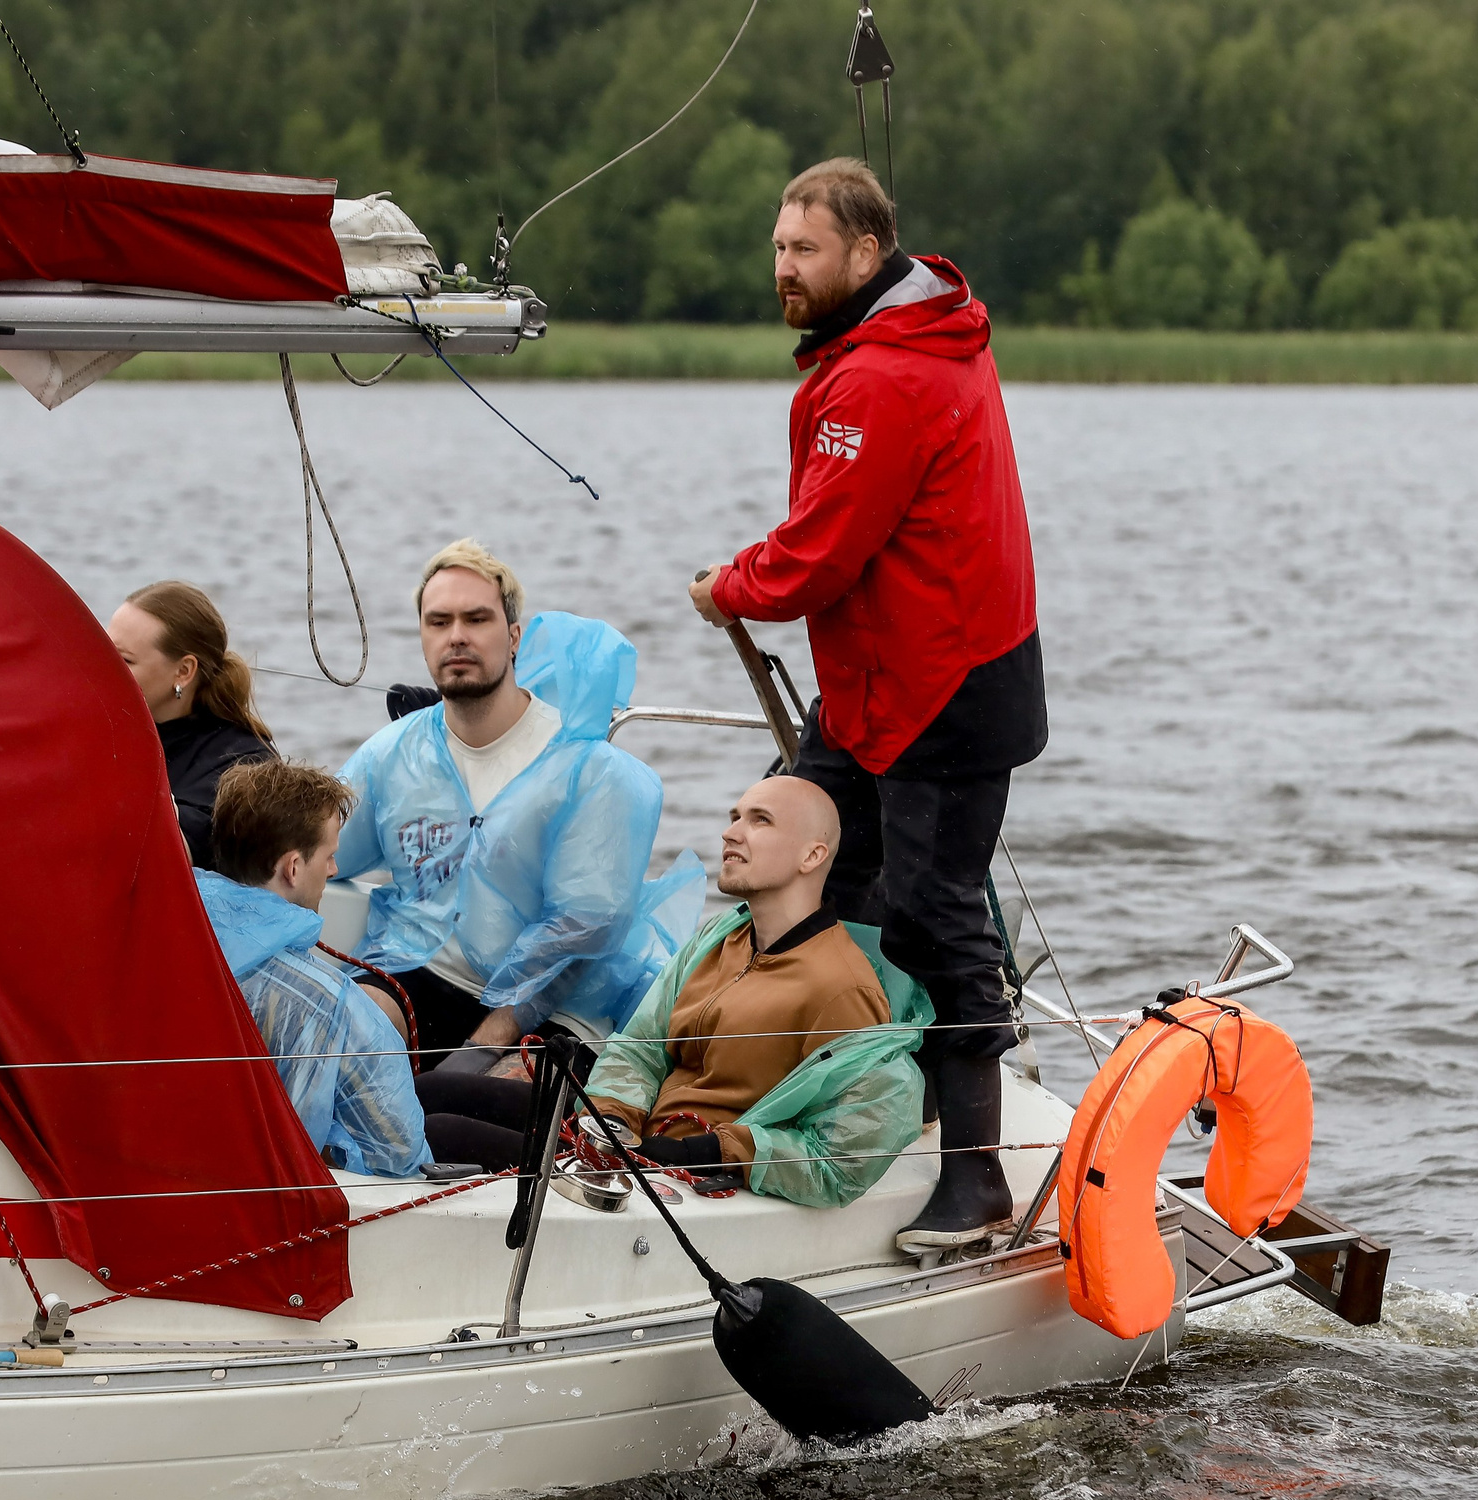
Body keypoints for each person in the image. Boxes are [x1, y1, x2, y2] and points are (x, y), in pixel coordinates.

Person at [691, 158, 1044, 1250]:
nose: (785, 269)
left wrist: (725, 588)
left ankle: (974, 1175)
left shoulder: (881, 376)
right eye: (777, 249)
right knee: (798, 857)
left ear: (862, 251)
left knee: (937, 918)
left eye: (803, 250)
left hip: (940, 689)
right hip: (878, 689)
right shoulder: (909, 336)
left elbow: (816, 557)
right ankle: (850, 1094)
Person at [417, 775, 931, 1207]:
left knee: (442, 1131)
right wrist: (614, 1118)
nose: (731, 833)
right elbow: (642, 1043)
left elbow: (841, 1155)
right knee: (427, 1091)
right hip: (630, 1136)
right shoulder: (721, 936)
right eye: (735, 816)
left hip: (679, 1168)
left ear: (812, 855)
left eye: (760, 821)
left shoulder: (841, 987)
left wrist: (711, 1152)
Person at [337, 539, 701, 1066]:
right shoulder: (393, 754)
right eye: (439, 622)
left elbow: (584, 927)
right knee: (341, 1040)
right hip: (421, 970)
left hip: (553, 1005)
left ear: (513, 638)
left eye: (476, 619)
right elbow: (316, 845)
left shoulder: (586, 767)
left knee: (484, 1105)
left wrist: (486, 1042)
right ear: (421, 637)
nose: (457, 636)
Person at [194, 760, 428, 1179]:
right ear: (293, 868)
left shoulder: (174, 925)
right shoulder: (324, 999)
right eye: (330, 855)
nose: (335, 870)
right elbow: (398, 1154)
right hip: (310, 1189)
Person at [106, 581, 277, 865]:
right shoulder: (94, 730)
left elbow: (183, 854)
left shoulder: (245, 765)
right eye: (105, 652)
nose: (105, 668)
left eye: (124, 660)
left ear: (184, 671)